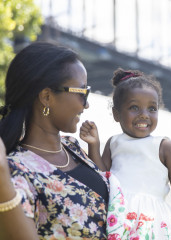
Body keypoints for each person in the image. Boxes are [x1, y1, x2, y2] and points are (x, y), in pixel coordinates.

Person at [80, 68, 171, 239]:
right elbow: (101, 179)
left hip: (152, 222)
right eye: (134, 107)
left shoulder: (164, 146)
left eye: (152, 108)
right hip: (118, 217)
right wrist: (94, 145)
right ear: (116, 114)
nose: (144, 115)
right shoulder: (113, 143)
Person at [0, 42, 115, 239]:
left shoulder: (73, 147)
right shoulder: (17, 171)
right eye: (82, 93)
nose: (86, 105)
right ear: (46, 97)